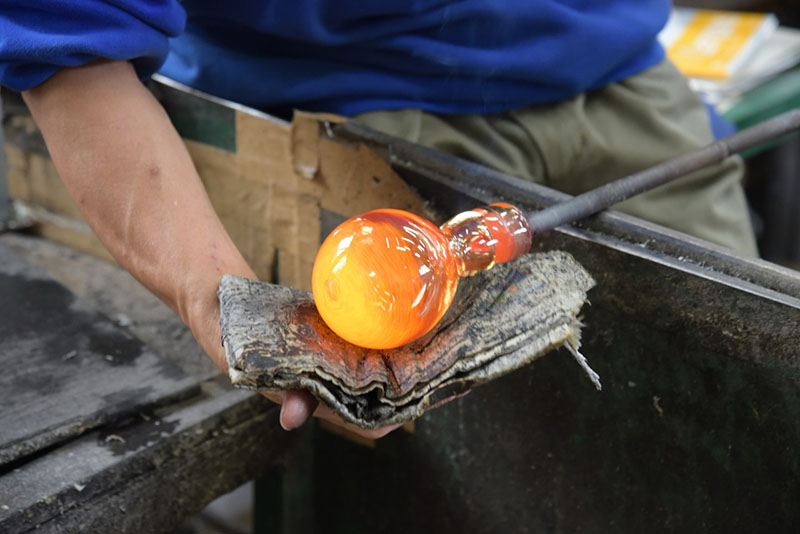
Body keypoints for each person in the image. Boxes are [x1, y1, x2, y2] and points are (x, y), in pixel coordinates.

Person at [0, 1, 757, 439]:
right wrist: (221, 304)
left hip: (623, 68)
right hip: (355, 107)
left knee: (743, 406)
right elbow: (71, 40)